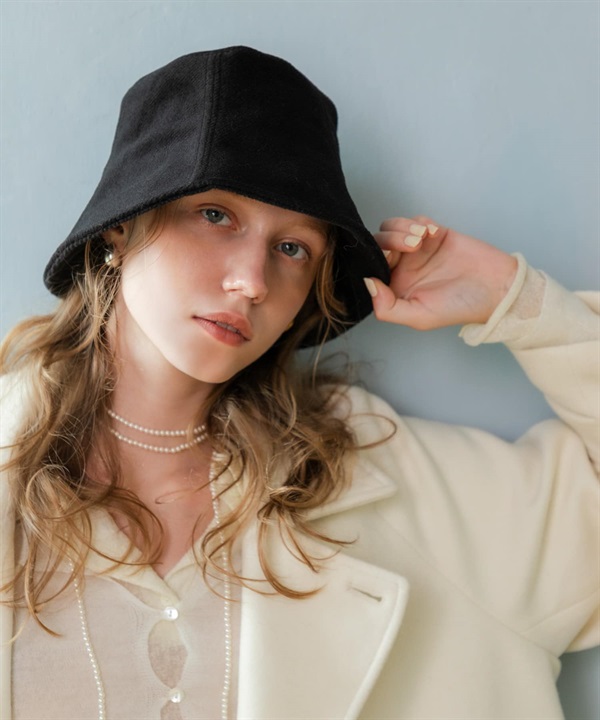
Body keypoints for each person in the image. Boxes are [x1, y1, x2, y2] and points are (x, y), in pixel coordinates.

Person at [0, 46, 597, 720]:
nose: (252, 282)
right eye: (216, 215)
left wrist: (519, 303)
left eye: (292, 248)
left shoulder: (393, 486)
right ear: (120, 228)